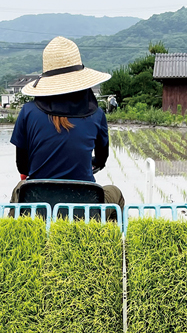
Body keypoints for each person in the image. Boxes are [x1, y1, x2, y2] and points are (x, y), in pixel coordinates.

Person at [9, 36, 124, 210]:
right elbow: (102, 159)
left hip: (38, 204)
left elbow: (22, 166)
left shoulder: (28, 111)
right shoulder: (97, 114)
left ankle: (19, 232)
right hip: (84, 208)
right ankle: (106, 236)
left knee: (19, 188)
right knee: (115, 193)